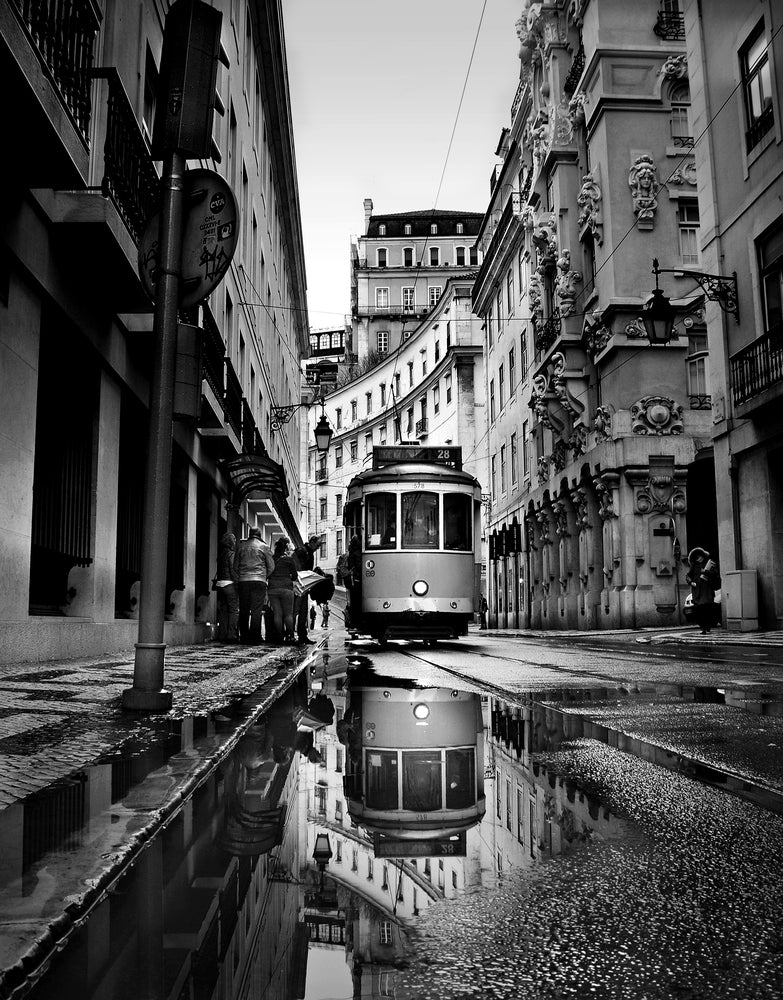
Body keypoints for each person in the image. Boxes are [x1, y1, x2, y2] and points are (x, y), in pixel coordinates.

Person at [234, 527, 275, 644]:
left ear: (249, 534)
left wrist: (242, 574)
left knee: (244, 609)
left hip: (243, 580)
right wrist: (264, 576)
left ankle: (244, 636)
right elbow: (271, 566)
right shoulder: (264, 547)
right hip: (259, 580)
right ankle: (254, 636)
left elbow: (235, 566)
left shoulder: (241, 546)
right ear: (260, 535)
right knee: (256, 609)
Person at [266, 537, 299, 644]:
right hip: (286, 588)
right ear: (285, 548)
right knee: (288, 614)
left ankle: (279, 636)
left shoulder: (271, 558)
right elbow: (294, 576)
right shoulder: (289, 559)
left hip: (273, 588)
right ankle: (290, 636)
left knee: (277, 614)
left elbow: (268, 573)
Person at [292, 534, 321, 645]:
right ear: (312, 542)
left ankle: (302, 636)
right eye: (317, 545)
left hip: (304, 585)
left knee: (303, 611)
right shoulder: (302, 551)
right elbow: (297, 567)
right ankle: (292, 635)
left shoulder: (308, 552)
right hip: (300, 585)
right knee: (296, 611)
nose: (318, 548)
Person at [686, 547, 721, 635]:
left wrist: (706, 572)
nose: (699, 558)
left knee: (708, 609)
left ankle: (707, 626)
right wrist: (691, 582)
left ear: (703, 556)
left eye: (700, 556)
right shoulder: (694, 567)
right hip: (697, 592)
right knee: (699, 610)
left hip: (707, 591)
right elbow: (688, 576)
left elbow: (715, 575)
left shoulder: (709, 564)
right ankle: (703, 628)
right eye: (697, 557)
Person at [214, 532, 239, 642]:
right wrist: (237, 582)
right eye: (234, 540)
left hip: (220, 584)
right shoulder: (231, 554)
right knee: (233, 610)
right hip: (229, 584)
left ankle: (222, 635)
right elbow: (232, 570)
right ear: (231, 542)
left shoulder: (221, 554)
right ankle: (231, 635)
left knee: (223, 610)